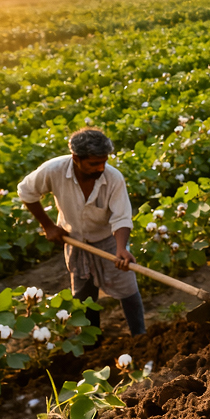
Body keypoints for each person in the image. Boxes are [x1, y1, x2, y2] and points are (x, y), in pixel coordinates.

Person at [17, 128, 146, 338]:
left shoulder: (113, 178)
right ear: (76, 158)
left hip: (108, 240)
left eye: (104, 161)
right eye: (94, 163)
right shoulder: (53, 170)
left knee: (128, 288)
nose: (101, 167)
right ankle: (92, 341)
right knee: (84, 296)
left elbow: (121, 216)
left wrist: (121, 248)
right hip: (75, 240)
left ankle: (140, 335)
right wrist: (48, 226)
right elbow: (26, 191)